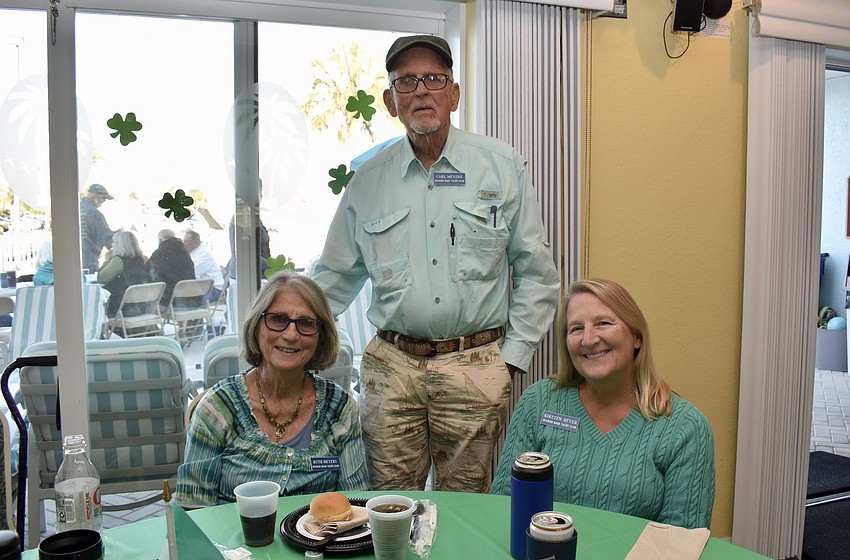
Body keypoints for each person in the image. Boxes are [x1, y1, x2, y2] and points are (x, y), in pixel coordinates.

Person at [311, 35, 560, 493]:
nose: (421, 90)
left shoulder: (501, 168)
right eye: (406, 81)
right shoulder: (367, 181)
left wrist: (510, 360)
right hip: (392, 369)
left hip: (475, 364)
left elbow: (537, 274)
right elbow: (333, 278)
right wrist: (284, 331)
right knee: (388, 505)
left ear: (454, 94)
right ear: (391, 101)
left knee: (466, 507)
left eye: (434, 78)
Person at [491, 278, 715, 529]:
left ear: (637, 337)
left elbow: (680, 542)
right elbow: (504, 505)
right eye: (576, 328)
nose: (588, 339)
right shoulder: (540, 402)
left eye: (603, 323)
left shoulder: (685, 427)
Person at [175, 270, 368, 507]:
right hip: (231, 542)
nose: (290, 334)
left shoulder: (340, 408)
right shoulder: (218, 408)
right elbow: (192, 510)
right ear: (257, 327)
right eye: (278, 319)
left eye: (306, 323)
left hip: (319, 542)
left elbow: (355, 504)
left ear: (321, 336)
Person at [98, 230, 152, 319]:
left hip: (120, 308)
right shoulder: (141, 259)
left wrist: (108, 260)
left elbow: (101, 278)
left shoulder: (118, 261)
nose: (112, 245)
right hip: (140, 306)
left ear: (121, 245)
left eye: (114, 242)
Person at [147, 229, 196, 311]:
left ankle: (152, 324)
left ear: (160, 240)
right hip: (188, 299)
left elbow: (149, 273)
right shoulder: (184, 253)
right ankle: (183, 323)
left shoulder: (158, 254)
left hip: (168, 301)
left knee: (145, 306)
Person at [79, 184, 116, 273]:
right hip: (88, 261)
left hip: (70, 259)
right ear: (95, 195)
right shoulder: (94, 213)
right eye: (103, 197)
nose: (104, 201)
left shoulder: (74, 209)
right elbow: (107, 238)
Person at [182, 229, 225, 302]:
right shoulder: (192, 253)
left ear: (196, 242)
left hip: (213, 290)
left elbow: (192, 272)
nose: (183, 244)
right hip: (202, 288)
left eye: (186, 241)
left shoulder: (204, 254)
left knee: (185, 301)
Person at [224, 214, 270, 280]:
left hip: (258, 273)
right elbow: (246, 256)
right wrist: (272, 266)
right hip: (245, 277)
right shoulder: (242, 218)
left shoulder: (254, 217)